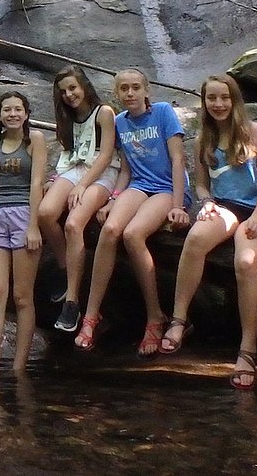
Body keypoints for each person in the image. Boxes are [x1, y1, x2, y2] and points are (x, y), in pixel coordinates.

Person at [169, 75, 257, 388]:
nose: (218, 104)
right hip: (225, 207)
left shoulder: (255, 132)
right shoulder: (202, 140)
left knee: (245, 262)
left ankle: (248, 349)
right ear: (204, 102)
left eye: (224, 98)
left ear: (234, 100)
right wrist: (206, 201)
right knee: (195, 238)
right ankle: (180, 319)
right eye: (211, 99)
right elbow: (202, 183)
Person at [75, 69, 188, 353]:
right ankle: (91, 315)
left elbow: (177, 160)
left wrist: (177, 205)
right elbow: (126, 169)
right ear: (117, 93)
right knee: (111, 228)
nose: (130, 93)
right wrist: (113, 198)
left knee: (133, 234)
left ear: (147, 90)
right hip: (138, 185)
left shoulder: (163, 112)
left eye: (136, 87)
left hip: (165, 188)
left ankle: (154, 317)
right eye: (124, 89)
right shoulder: (120, 122)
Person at [34, 66, 120, 333]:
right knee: (46, 212)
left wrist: (82, 186)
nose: (69, 95)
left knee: (73, 224)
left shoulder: (103, 113)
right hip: (74, 168)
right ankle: (65, 265)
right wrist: (55, 180)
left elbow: (105, 155)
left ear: (83, 86)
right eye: (63, 91)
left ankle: (72, 300)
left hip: (102, 172)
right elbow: (69, 153)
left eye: (73, 88)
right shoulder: (68, 118)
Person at [0, 91, 47, 376]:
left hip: (23, 215)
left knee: (22, 296)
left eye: (18, 109)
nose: (12, 114)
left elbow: (37, 184)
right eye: (6, 110)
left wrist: (34, 225)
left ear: (26, 113)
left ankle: (19, 369)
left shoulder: (36, 141)